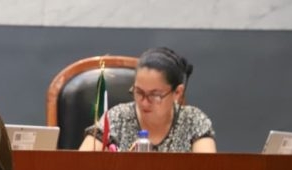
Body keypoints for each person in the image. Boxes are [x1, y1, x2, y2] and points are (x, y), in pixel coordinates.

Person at [79, 47, 216, 153]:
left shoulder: (193, 120)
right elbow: (81, 164)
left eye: (154, 95)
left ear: (177, 92)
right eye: (139, 92)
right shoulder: (117, 117)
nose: (144, 102)